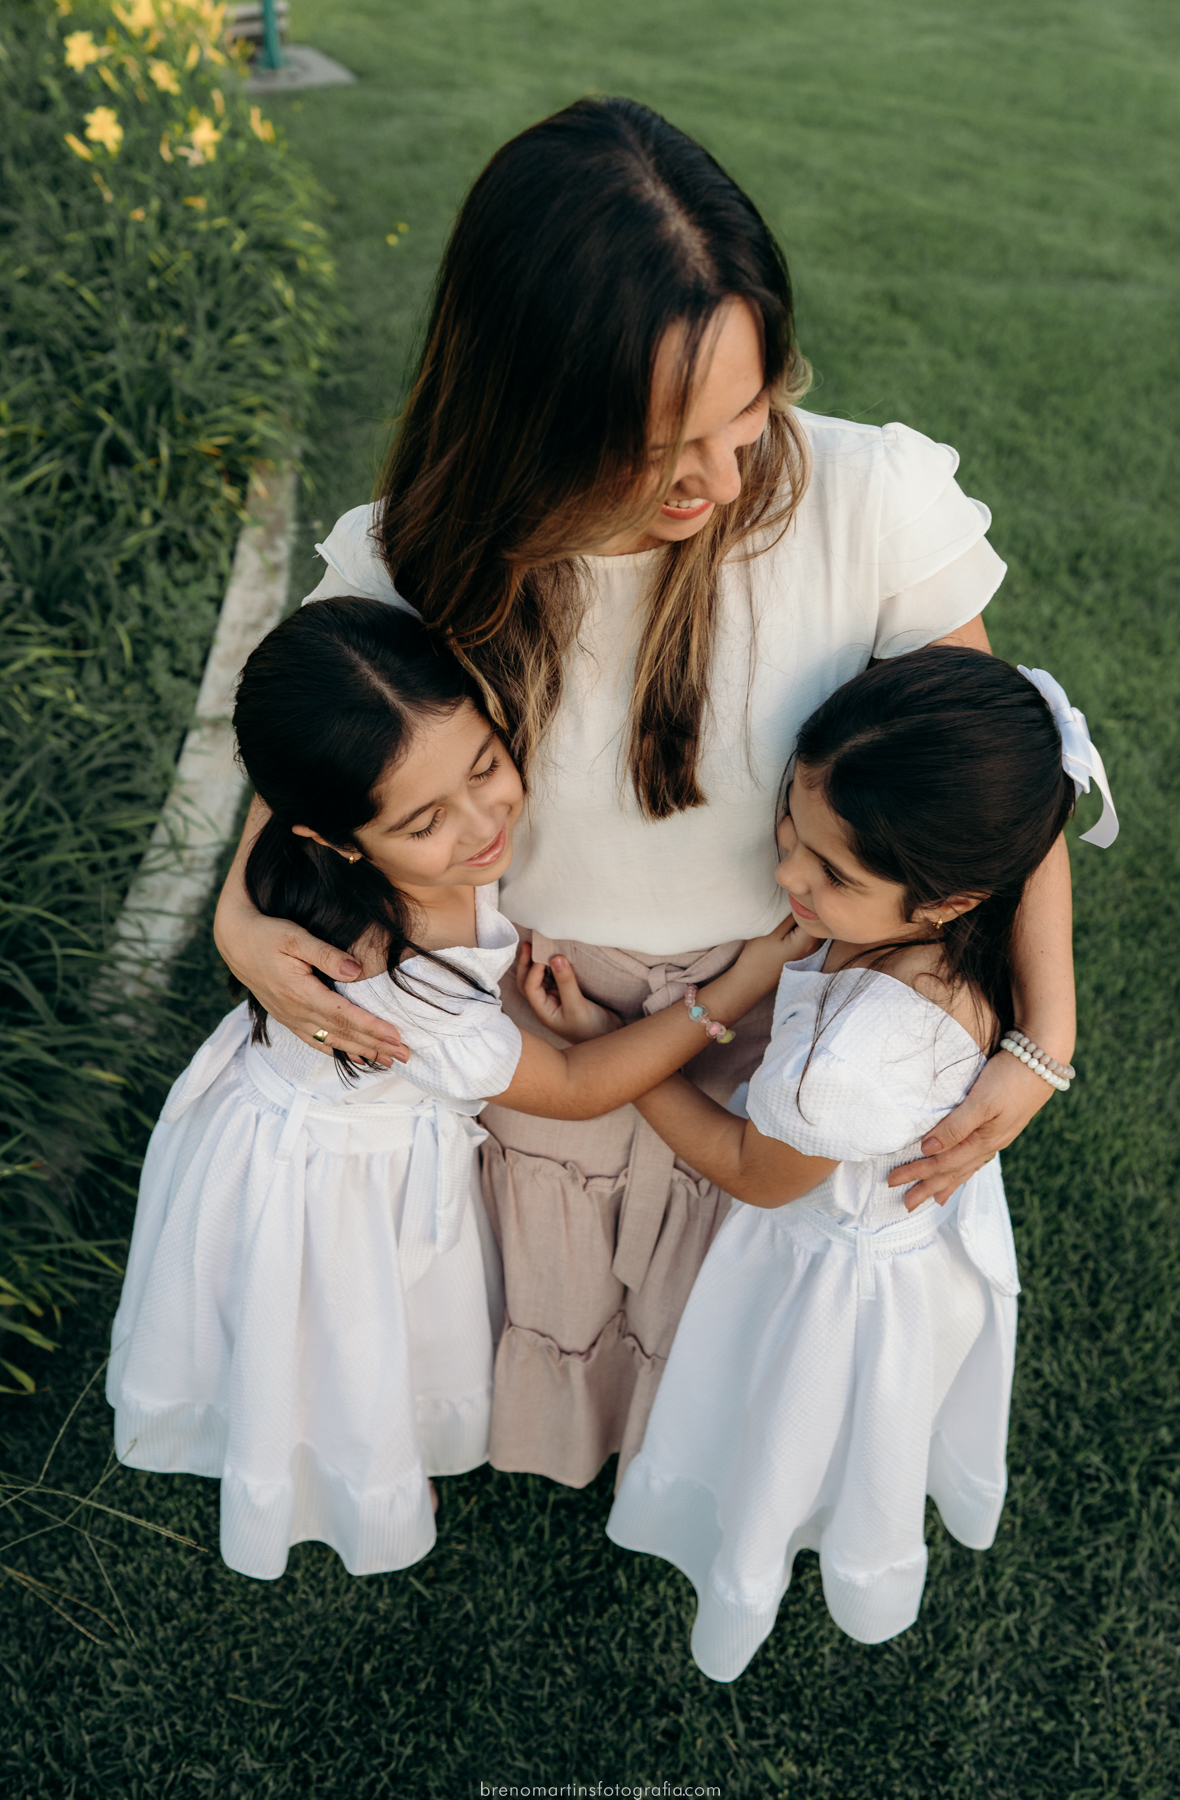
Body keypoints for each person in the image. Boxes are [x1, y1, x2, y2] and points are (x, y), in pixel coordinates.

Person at [213, 96, 1077, 1489]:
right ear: (529, 408)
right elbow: (314, 747)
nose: (727, 479)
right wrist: (239, 925)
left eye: (749, 414)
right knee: (555, 1275)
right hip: (535, 1020)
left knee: (728, 1320)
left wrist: (1043, 1031)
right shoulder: (428, 550)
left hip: (763, 1002)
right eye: (667, 445)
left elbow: (1005, 766)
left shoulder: (865, 501)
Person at [108, 600, 802, 1579]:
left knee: (367, 1332)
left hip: (317, 1134)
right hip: (331, 1184)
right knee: (339, 1335)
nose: (483, 826)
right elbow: (570, 1083)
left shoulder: (360, 866)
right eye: (427, 822)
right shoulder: (392, 983)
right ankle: (351, 1474)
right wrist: (734, 987)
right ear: (336, 839)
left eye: (485, 766)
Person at [604, 648, 1118, 1670]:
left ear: (943, 902)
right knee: (867, 1433)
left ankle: (752, 1565)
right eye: (792, 827)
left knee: (785, 1430)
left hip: (828, 1283)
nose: (788, 873)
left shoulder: (842, 1073)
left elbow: (752, 1170)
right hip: (907, 1247)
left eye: (831, 873)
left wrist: (633, 1070)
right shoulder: (958, 940)